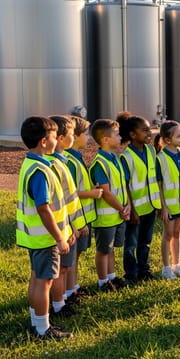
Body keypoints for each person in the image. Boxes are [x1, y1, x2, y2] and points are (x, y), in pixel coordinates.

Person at [16, 116, 72, 340]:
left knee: (37, 278)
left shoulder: (31, 164)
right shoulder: (40, 171)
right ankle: (42, 329)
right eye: (52, 137)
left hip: (35, 237)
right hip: (45, 238)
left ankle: (36, 321)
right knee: (45, 281)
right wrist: (59, 237)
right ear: (43, 141)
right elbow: (43, 208)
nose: (55, 142)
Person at [44, 116, 84, 318]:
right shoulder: (54, 165)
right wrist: (70, 226)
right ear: (60, 138)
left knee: (66, 267)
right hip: (62, 228)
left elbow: (70, 197)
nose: (73, 137)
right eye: (70, 134)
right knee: (60, 269)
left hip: (68, 226)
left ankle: (63, 298)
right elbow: (57, 202)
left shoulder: (63, 161)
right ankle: (58, 305)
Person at [117, 112, 161, 283]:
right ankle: (131, 274)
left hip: (150, 206)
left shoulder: (151, 151)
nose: (149, 133)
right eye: (145, 130)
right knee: (131, 244)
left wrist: (157, 203)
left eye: (149, 130)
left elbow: (154, 179)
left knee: (146, 241)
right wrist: (132, 211)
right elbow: (126, 186)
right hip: (136, 209)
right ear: (133, 135)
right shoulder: (125, 157)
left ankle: (144, 269)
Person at [88, 118, 131, 292]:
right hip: (106, 218)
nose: (120, 137)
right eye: (117, 134)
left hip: (118, 214)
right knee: (103, 250)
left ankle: (112, 278)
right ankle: (102, 281)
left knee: (111, 249)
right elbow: (106, 192)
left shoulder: (116, 159)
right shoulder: (99, 164)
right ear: (106, 139)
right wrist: (122, 209)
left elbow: (122, 185)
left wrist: (127, 205)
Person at [64, 115, 99, 301]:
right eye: (85, 134)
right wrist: (92, 194)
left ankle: (74, 287)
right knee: (71, 258)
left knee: (76, 256)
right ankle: (69, 292)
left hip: (83, 217)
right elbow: (70, 192)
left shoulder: (76, 157)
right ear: (74, 136)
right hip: (76, 219)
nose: (88, 138)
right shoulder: (69, 161)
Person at [154, 120, 180, 279]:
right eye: (179, 136)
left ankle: (177, 265)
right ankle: (166, 268)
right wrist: (163, 207)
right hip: (168, 205)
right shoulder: (160, 158)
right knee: (168, 234)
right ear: (168, 140)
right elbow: (159, 185)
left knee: (177, 233)